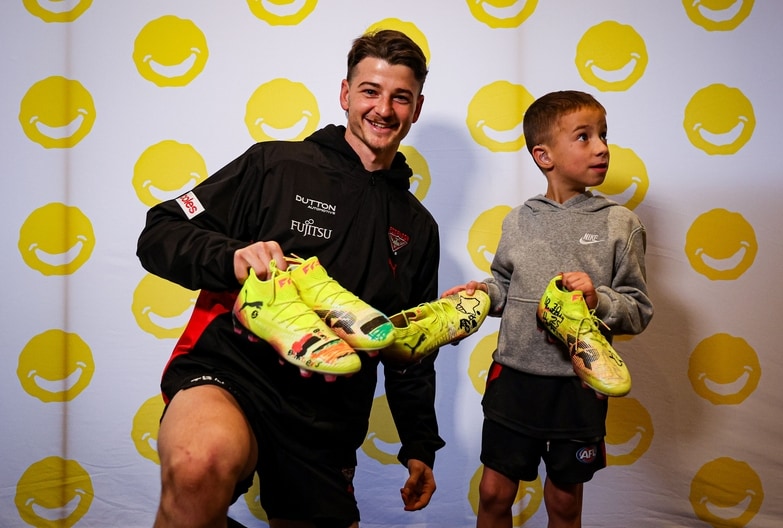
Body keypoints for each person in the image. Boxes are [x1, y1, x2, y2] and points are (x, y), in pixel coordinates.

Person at [137, 29, 444, 528]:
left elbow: (411, 348)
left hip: (328, 416)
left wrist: (419, 445)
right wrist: (233, 256)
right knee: (198, 467)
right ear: (345, 94)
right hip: (233, 375)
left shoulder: (418, 227)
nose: (383, 109)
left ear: (417, 107)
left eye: (400, 97)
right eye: (370, 91)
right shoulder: (273, 164)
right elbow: (160, 230)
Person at [444, 90, 653, 528]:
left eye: (603, 135)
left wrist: (598, 298)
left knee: (562, 502)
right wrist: (479, 295)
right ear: (544, 155)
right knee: (494, 493)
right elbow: (503, 287)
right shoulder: (518, 220)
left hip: (576, 389)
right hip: (514, 380)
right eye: (584, 136)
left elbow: (637, 309)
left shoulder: (621, 225)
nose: (601, 147)